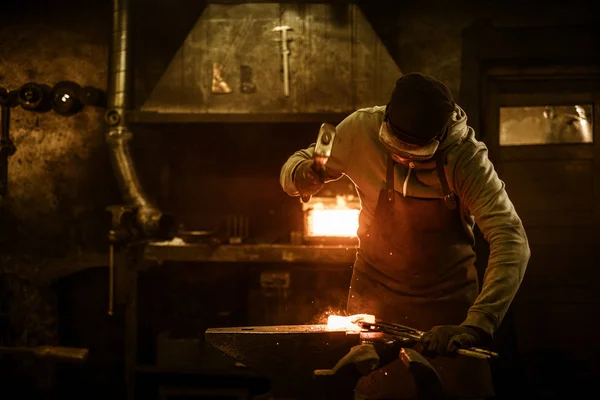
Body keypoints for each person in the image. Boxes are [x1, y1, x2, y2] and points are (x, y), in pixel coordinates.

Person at [279, 73, 530, 399]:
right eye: (394, 149)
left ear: (439, 137)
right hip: (373, 311)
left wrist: (477, 324)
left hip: (448, 319)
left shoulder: (465, 159)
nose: (403, 159)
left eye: (416, 153)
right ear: (385, 121)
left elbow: (511, 239)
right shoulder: (360, 129)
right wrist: (301, 175)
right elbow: (296, 167)